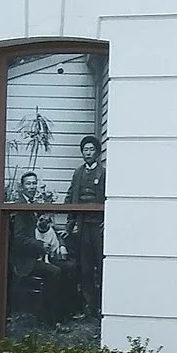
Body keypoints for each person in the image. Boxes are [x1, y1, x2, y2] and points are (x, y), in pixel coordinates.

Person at [65, 136, 106, 321]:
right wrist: (70, 224)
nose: (88, 152)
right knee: (85, 268)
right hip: (82, 227)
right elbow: (70, 197)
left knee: (101, 266)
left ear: (97, 152)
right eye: (85, 150)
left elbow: (109, 198)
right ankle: (88, 307)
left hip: (98, 227)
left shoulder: (103, 173)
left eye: (91, 149)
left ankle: (102, 307)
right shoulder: (78, 173)